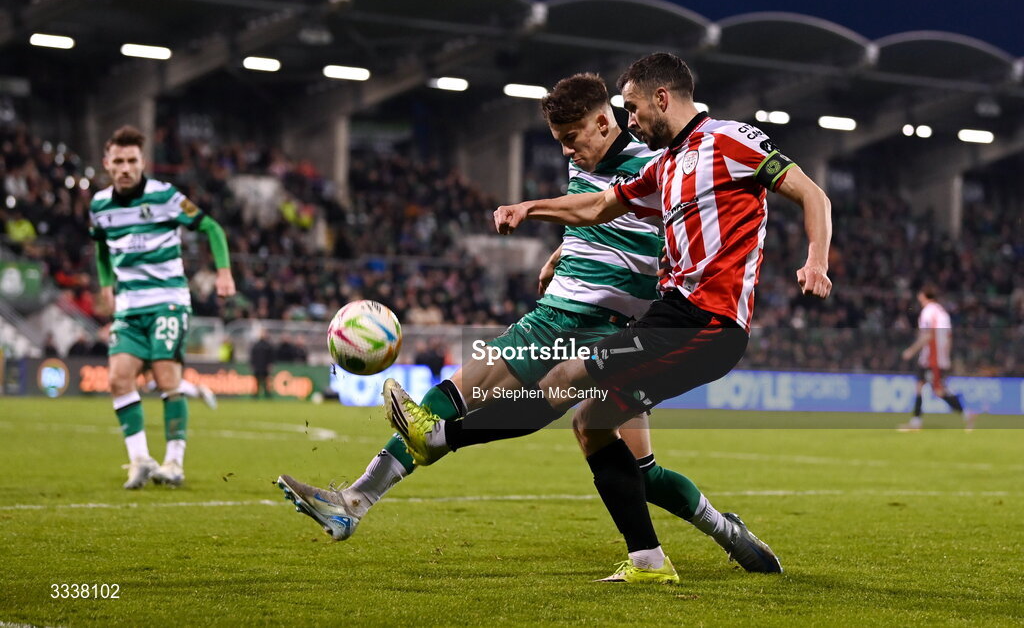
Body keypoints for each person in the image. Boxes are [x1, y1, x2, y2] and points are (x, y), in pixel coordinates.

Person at [277, 73, 782, 575]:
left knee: (639, 473)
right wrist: (564, 250)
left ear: (605, 123)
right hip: (560, 316)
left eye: (571, 139)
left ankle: (720, 530)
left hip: (618, 325)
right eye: (559, 142)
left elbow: (671, 230)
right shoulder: (588, 164)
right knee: (447, 400)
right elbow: (596, 212)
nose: (566, 152)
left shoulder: (658, 164)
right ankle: (354, 503)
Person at [384, 53, 833, 584]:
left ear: (663, 98)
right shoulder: (664, 164)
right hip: (671, 316)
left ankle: (439, 439)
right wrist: (529, 209)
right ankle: (649, 560)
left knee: (566, 380)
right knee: (592, 423)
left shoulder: (731, 140)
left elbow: (812, 192)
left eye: (636, 108)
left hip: (708, 324)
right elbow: (598, 208)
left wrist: (816, 261)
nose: (633, 120)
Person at [89, 125, 235, 489]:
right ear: (107, 164)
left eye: (132, 161)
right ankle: (139, 459)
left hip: (168, 302)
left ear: (142, 162)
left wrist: (224, 272)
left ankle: (174, 463)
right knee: (118, 379)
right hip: (129, 307)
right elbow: (101, 248)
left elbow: (212, 228)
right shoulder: (99, 205)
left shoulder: (166, 196)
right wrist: (106, 284)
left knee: (166, 378)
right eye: (118, 161)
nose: (125, 168)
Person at [898, 284, 974, 431]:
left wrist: (911, 350)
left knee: (938, 391)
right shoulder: (943, 313)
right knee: (919, 386)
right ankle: (916, 422)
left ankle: (967, 413)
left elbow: (928, 335)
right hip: (938, 357)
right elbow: (949, 337)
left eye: (920, 294)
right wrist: (946, 356)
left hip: (931, 358)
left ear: (924, 295)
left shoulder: (927, 312)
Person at [250, 327, 275, 398]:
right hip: (257, 366)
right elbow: (253, 356)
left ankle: (267, 395)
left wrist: (270, 365)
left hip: (265, 367)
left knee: (266, 382)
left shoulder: (268, 345)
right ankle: (255, 395)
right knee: (256, 382)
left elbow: (271, 357)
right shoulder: (256, 345)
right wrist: (252, 364)